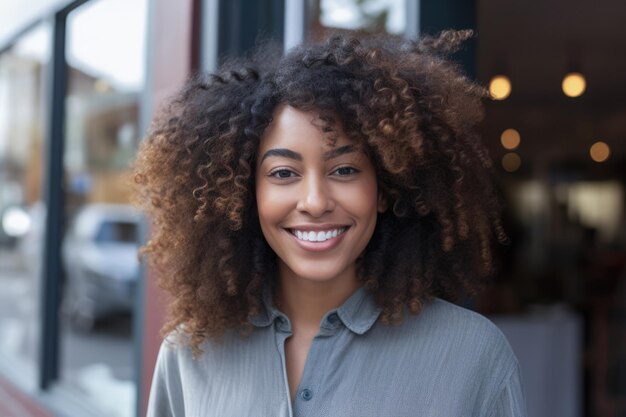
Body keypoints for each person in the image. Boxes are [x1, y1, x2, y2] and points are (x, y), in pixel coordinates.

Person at [134, 30, 526, 417]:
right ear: (244, 194)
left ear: (386, 186)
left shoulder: (471, 356)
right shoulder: (189, 354)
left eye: (344, 169)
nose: (315, 202)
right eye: (284, 173)